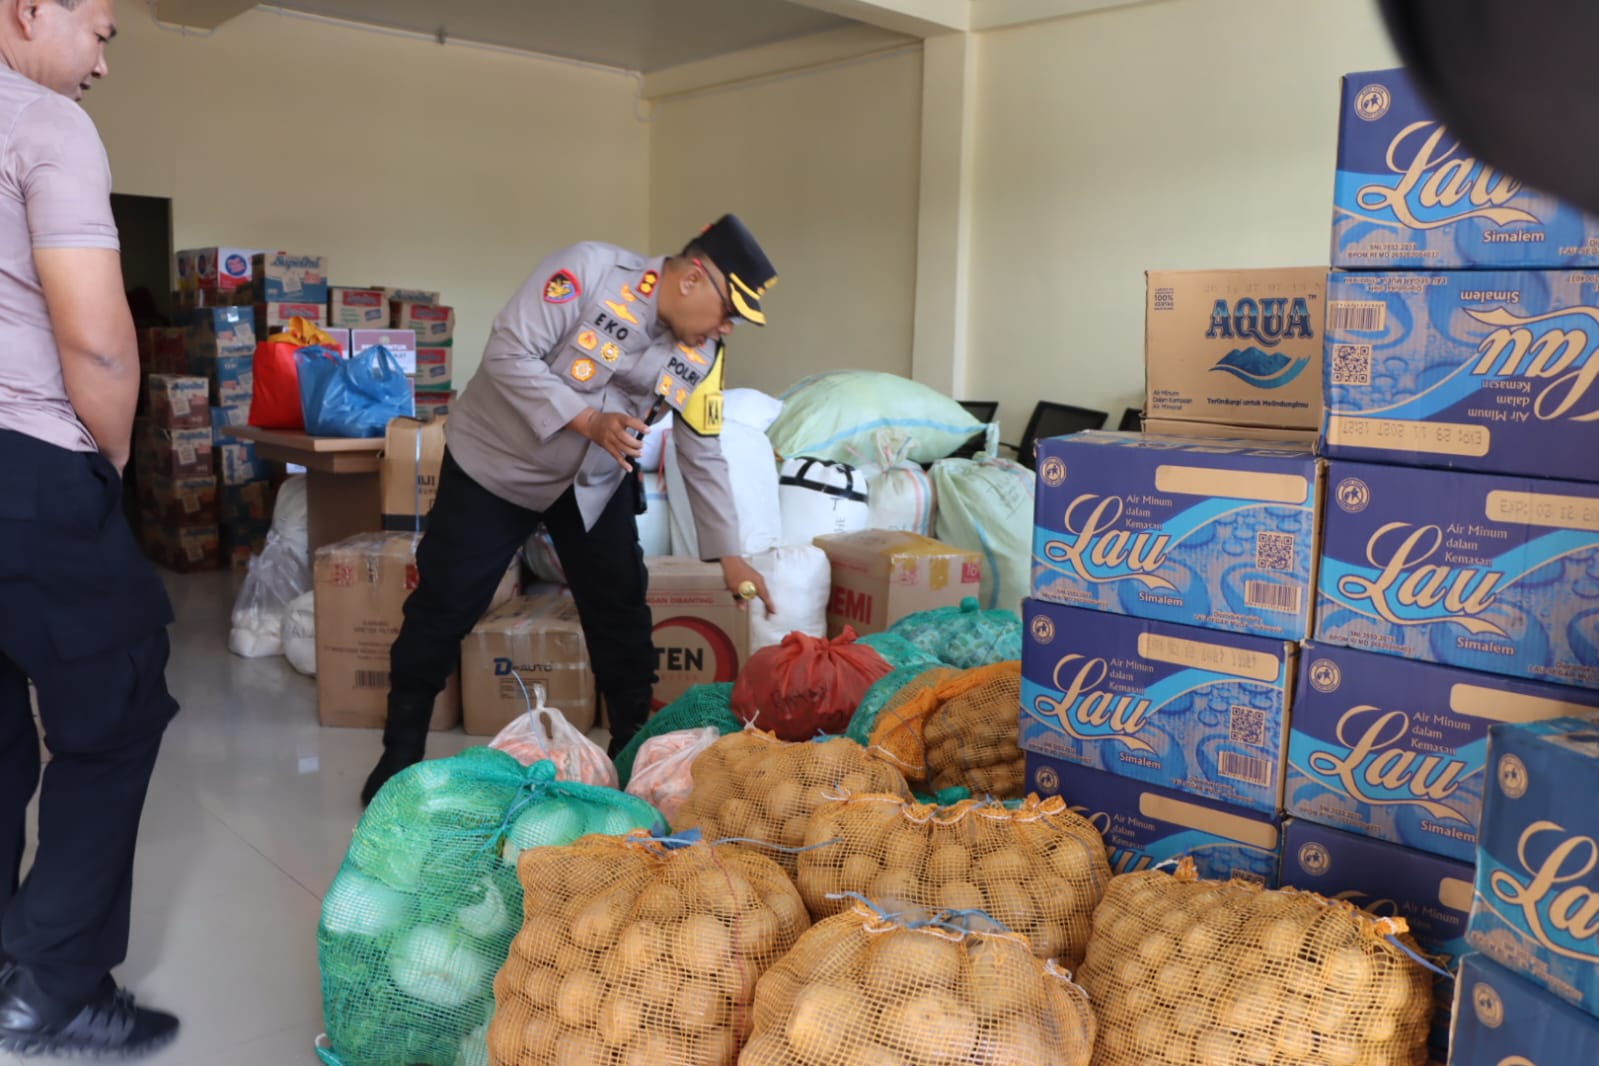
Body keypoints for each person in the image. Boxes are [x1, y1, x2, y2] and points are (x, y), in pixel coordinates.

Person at [362, 215, 780, 804]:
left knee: (619, 607)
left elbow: (701, 450)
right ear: (691, 278)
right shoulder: (588, 273)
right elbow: (508, 352)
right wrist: (588, 419)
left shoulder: (703, 354)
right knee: (445, 602)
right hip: (496, 466)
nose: (728, 327)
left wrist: (731, 557)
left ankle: (634, 751)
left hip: (590, 480)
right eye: (727, 309)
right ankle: (398, 755)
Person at [0, 0, 182, 1058]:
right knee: (113, 713)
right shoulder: (44, 121)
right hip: (29, 464)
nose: (103, 63)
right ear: (31, 9)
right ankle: (50, 992)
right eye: (101, 29)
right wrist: (105, 466)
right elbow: (99, 341)